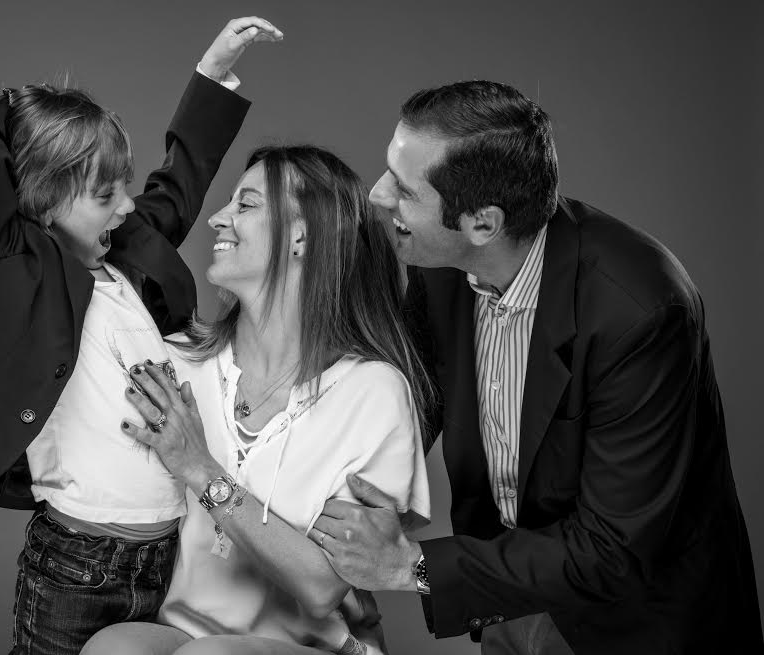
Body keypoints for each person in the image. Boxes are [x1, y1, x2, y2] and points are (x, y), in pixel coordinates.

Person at [309, 80, 763, 654]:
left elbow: (612, 550)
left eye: (403, 189)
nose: (376, 196)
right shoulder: (442, 265)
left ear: (482, 224)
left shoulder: (641, 310)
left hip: (631, 622)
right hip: (503, 600)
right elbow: (406, 409)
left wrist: (412, 567)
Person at [0, 17, 282, 655]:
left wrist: (212, 77)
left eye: (123, 189)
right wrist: (25, 114)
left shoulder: (128, 258)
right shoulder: (20, 271)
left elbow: (177, 184)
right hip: (75, 568)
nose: (127, 205)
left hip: (166, 561)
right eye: (104, 194)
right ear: (44, 204)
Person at [80, 145, 435, 655]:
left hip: (319, 646)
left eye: (244, 205)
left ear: (301, 236)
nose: (218, 220)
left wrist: (200, 469)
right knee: (113, 649)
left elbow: (322, 587)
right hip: (185, 633)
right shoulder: (178, 363)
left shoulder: (371, 392)